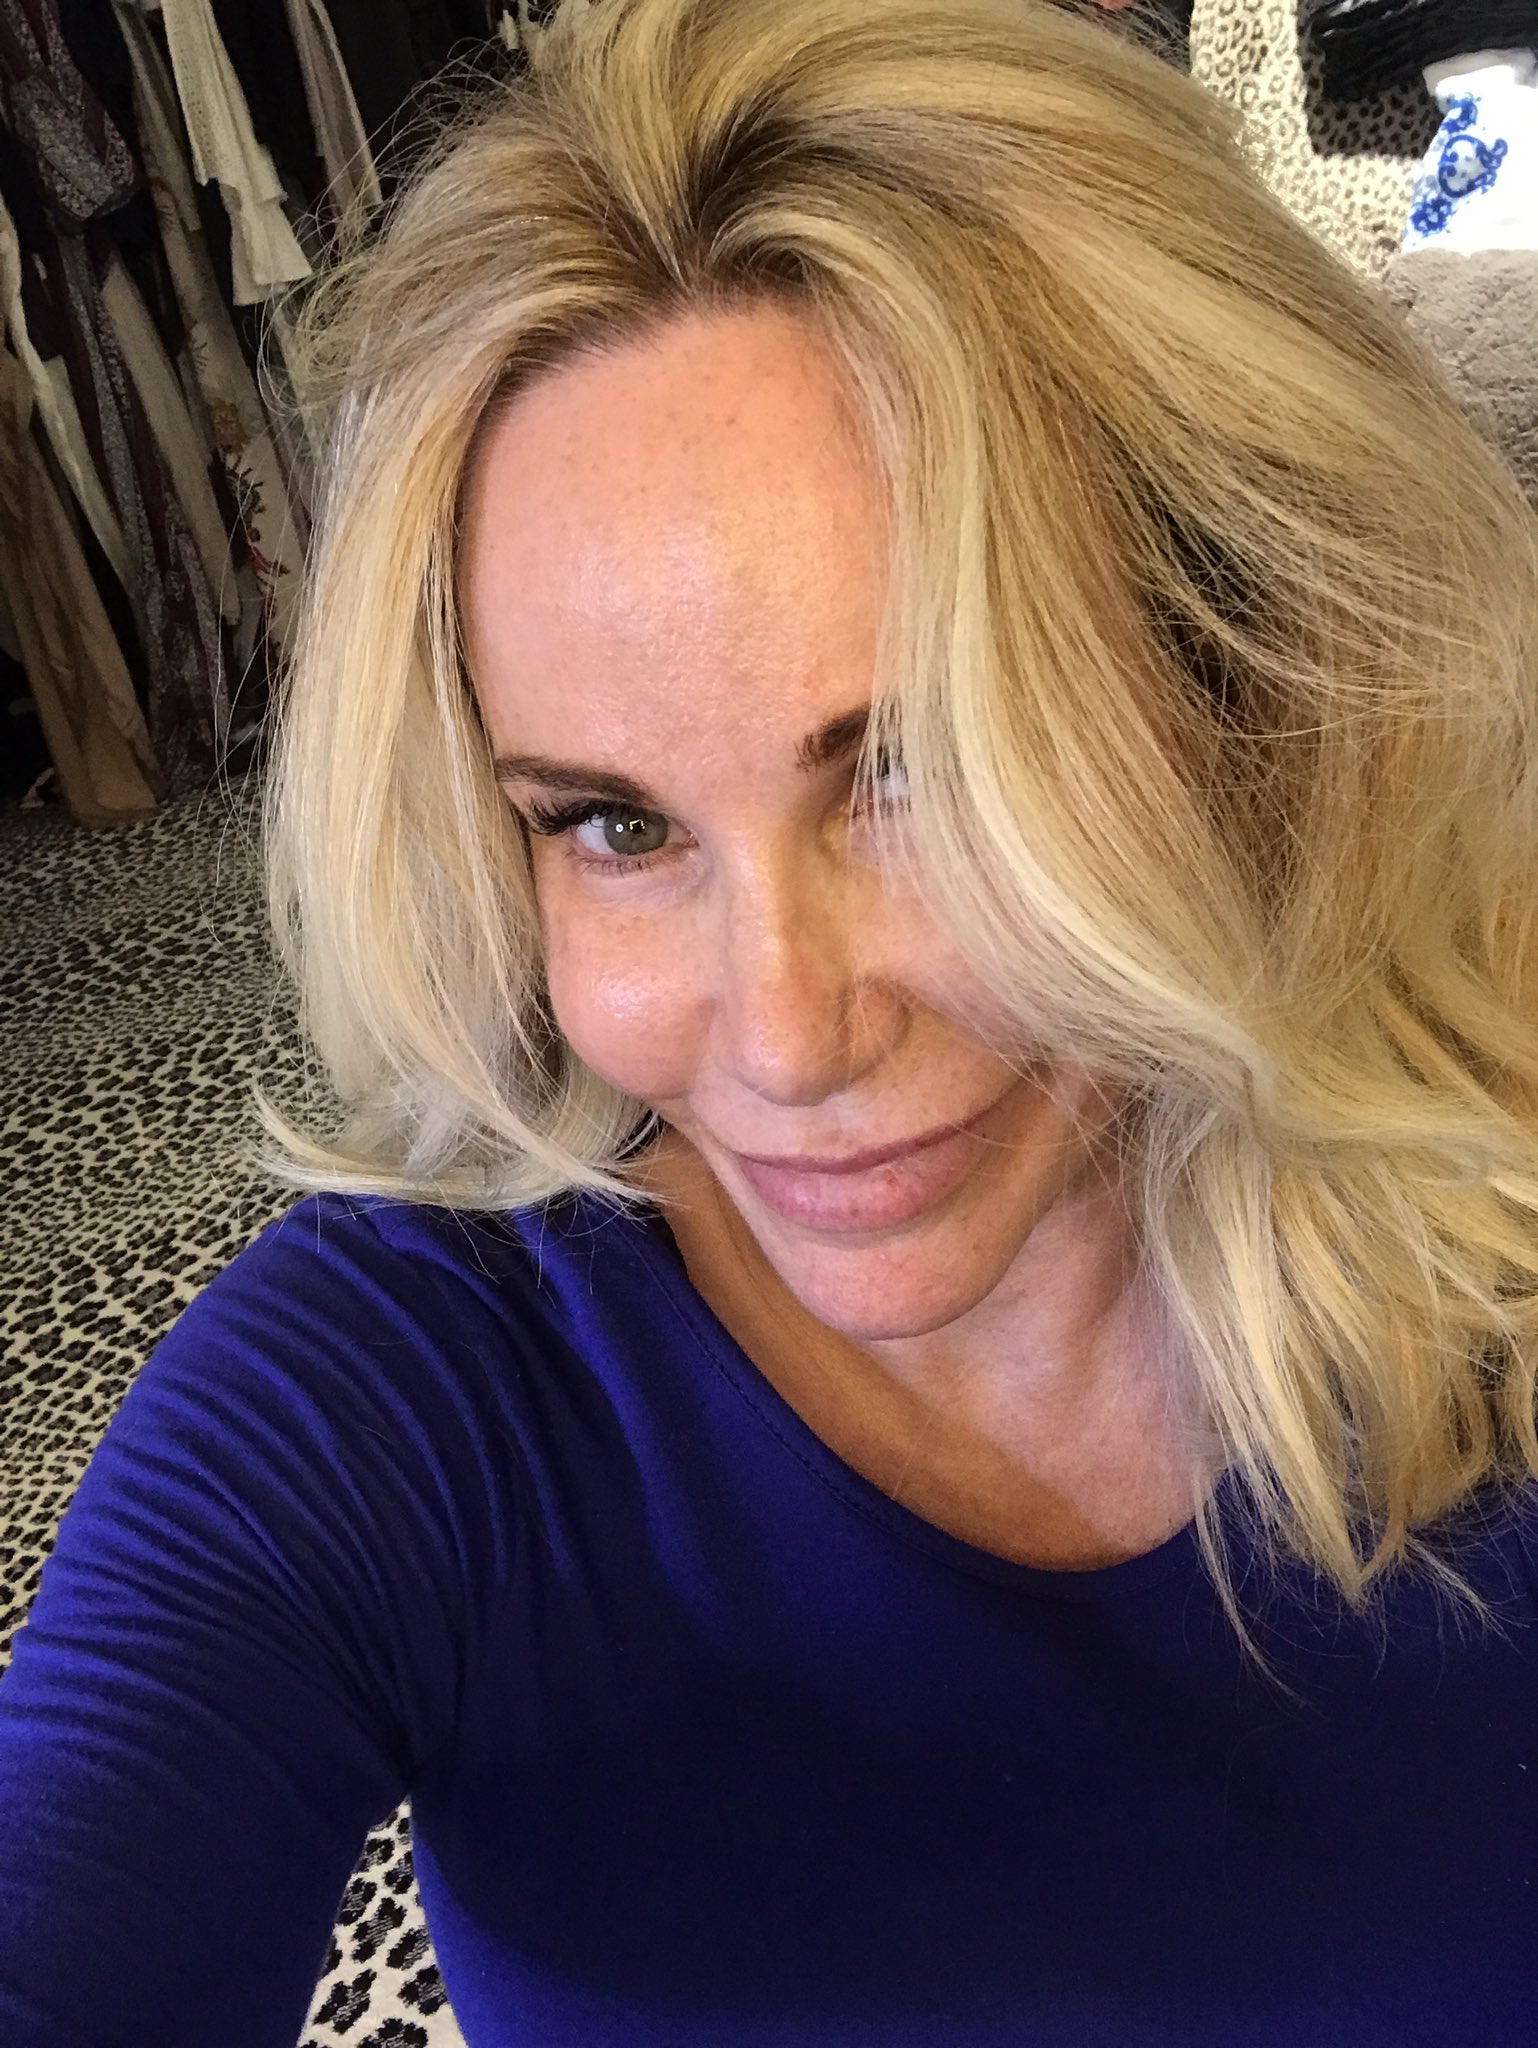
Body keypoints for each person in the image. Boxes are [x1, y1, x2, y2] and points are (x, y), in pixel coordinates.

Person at [3, 0, 1538, 2042]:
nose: (790, 1036)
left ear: (1250, 690)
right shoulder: (402, 1402)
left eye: (917, 770)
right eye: (613, 823)